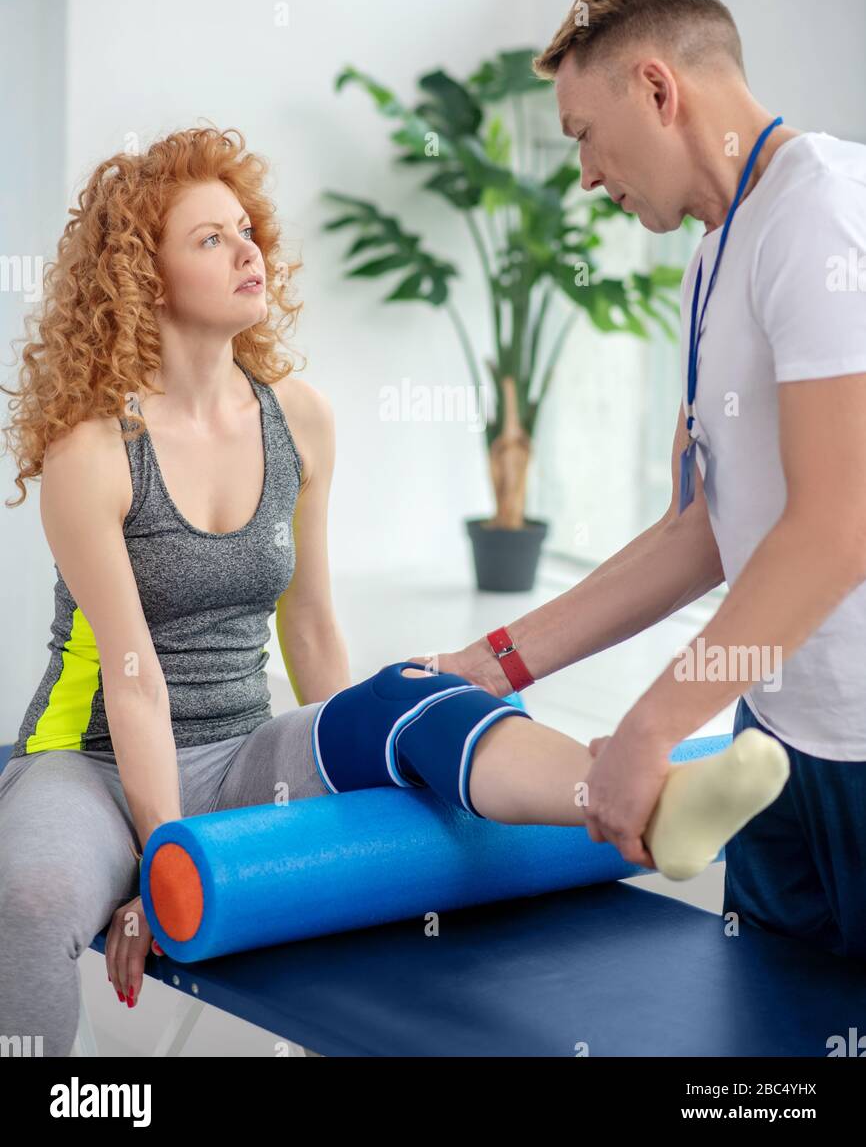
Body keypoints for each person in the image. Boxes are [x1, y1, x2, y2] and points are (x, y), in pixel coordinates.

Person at [0, 123, 790, 1058]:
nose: (249, 250)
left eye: (246, 228)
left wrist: (357, 753)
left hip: (241, 749)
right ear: (146, 277)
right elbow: (132, 680)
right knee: (31, 898)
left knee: (413, 693)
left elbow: (310, 623)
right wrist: (167, 856)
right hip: (90, 762)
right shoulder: (94, 451)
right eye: (210, 238)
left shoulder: (298, 419)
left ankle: (652, 805)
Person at [409, 0, 866, 961]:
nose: (583, 174)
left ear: (658, 89)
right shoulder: (714, 256)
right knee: (771, 1034)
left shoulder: (822, 216)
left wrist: (650, 727)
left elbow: (837, 529)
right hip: (780, 737)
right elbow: (704, 529)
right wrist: (494, 661)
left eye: (582, 132)